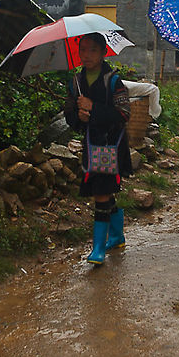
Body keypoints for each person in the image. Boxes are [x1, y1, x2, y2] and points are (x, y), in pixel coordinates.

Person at [63, 33, 133, 265]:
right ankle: (117, 235)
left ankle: (98, 249)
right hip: (91, 145)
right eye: (83, 50)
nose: (87, 55)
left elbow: (124, 114)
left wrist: (94, 108)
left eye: (93, 50)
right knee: (103, 190)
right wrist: (79, 116)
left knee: (101, 192)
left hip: (111, 146)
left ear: (104, 52)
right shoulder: (76, 82)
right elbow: (70, 116)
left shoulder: (113, 81)